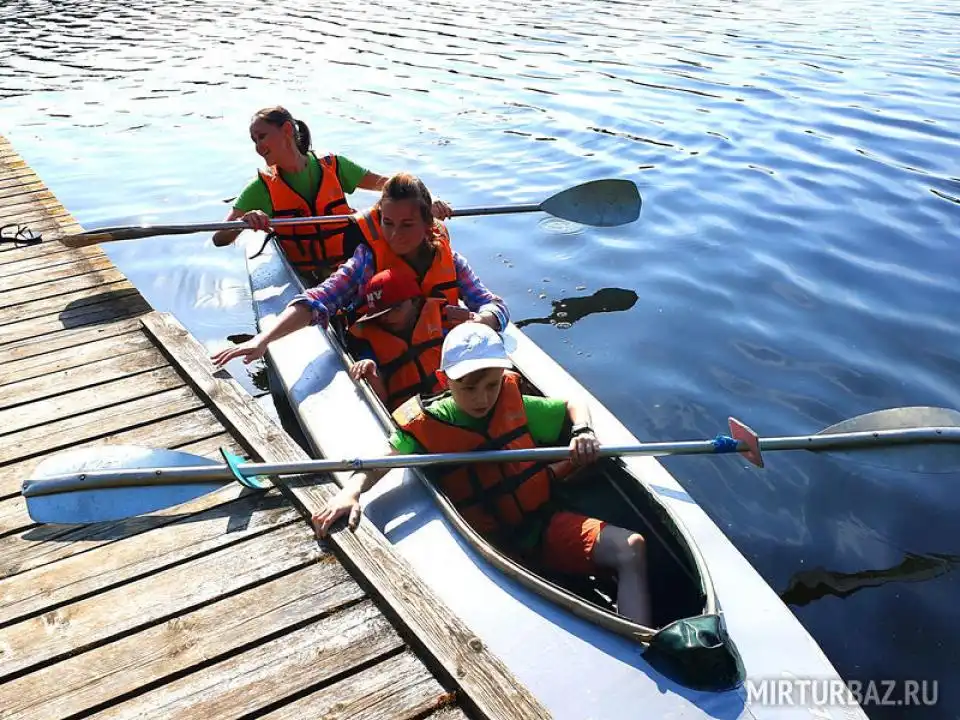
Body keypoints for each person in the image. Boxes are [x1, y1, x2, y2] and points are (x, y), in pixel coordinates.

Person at [312, 323, 653, 626]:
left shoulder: (511, 401)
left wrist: (582, 430)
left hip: (540, 525)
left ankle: (639, 645)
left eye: (491, 385)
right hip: (487, 548)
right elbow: (382, 460)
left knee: (631, 547)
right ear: (445, 381)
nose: (483, 398)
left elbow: (573, 404)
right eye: (469, 388)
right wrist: (351, 491)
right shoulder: (429, 424)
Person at [210, 172, 509, 369]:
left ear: (428, 224)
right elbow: (317, 300)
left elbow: (495, 305)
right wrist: (262, 340)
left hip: (446, 362)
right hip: (384, 366)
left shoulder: (451, 261)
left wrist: (479, 319)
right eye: (388, 223)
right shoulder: (367, 260)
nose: (395, 235)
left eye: (407, 225)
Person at [211, 106, 450, 279]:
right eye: (254, 140)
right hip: (306, 276)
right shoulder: (260, 187)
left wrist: (432, 199)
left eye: (262, 137)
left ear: (286, 130)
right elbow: (219, 238)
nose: (258, 147)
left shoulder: (334, 166)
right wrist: (245, 221)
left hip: (350, 263)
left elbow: (389, 185)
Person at [346, 266, 446, 410]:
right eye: (380, 313)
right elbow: (372, 371)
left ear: (415, 302)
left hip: (450, 401)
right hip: (407, 414)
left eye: (395, 308)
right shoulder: (368, 339)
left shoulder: (439, 320)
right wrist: (369, 366)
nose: (387, 317)